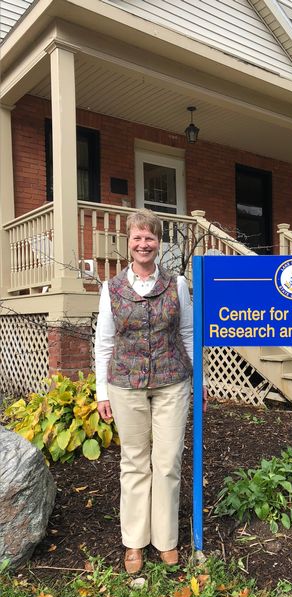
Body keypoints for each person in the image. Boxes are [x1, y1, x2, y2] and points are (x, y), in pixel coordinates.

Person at [95, 208, 206, 574]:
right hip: (125, 385)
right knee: (134, 463)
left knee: (168, 462)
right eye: (137, 237)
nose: (144, 244)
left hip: (172, 382)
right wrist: (102, 392)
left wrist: (199, 379)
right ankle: (134, 543)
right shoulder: (111, 289)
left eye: (150, 237)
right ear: (128, 243)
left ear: (159, 243)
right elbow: (104, 343)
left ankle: (166, 540)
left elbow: (189, 334)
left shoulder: (177, 285)